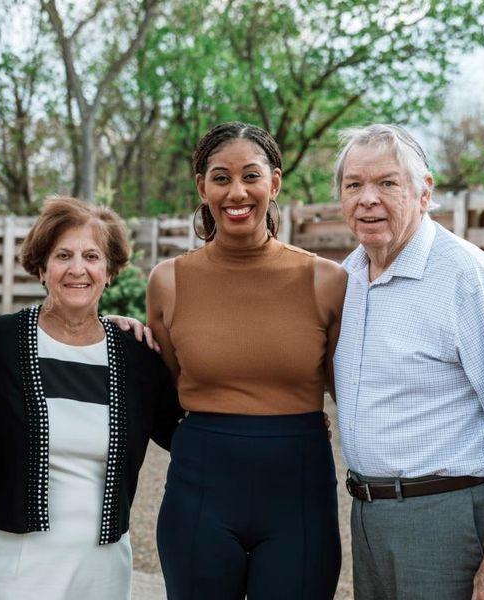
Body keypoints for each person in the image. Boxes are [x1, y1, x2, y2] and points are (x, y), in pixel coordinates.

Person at [332, 124, 484, 600]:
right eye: (354, 185)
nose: (367, 199)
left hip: (450, 519)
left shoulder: (465, 275)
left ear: (424, 191)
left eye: (387, 183)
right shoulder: (346, 279)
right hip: (368, 516)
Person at [147, 122, 347, 599]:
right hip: (201, 487)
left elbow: (350, 389)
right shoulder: (168, 281)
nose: (237, 192)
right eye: (220, 177)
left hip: (298, 489)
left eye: (251, 176)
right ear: (202, 188)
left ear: (274, 183)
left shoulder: (327, 281)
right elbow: (168, 383)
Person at [0, 196, 182, 600]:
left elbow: (187, 435)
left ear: (110, 271)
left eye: (92, 256)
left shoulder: (137, 356)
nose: (77, 269)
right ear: (42, 268)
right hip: (9, 563)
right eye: (63, 255)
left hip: (100, 565)